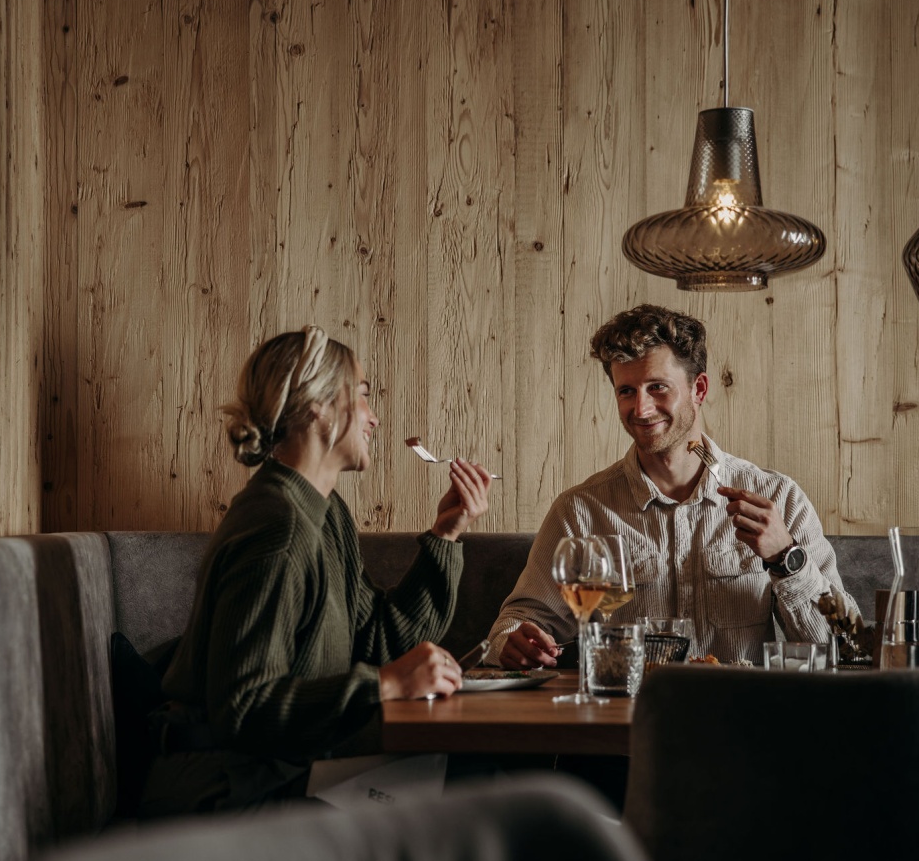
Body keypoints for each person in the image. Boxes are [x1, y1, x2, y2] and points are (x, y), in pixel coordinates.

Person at [141, 325, 493, 817]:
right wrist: (386, 685)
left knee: (488, 776)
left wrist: (445, 535)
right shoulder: (277, 527)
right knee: (486, 797)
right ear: (318, 407)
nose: (373, 417)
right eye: (363, 396)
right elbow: (244, 709)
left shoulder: (325, 513)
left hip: (286, 770)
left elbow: (378, 642)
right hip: (229, 791)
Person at [487, 304, 859, 668]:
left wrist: (785, 558)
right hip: (629, 706)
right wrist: (513, 642)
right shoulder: (581, 511)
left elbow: (846, 644)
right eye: (627, 391)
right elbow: (518, 621)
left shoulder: (779, 497)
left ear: (699, 389)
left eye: (658, 387)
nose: (641, 409)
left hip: (743, 705)